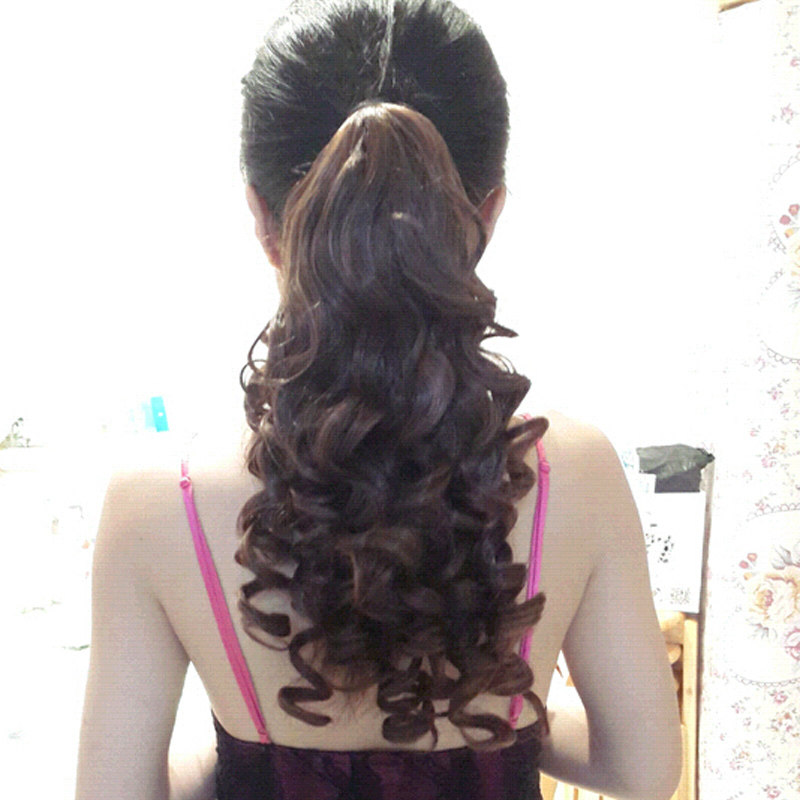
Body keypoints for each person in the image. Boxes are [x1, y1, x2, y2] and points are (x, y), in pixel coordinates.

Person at [75, 1, 682, 799]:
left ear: (260, 216)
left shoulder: (157, 499)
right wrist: (507, 710)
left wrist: (243, 747)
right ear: (488, 213)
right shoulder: (577, 470)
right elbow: (640, 770)